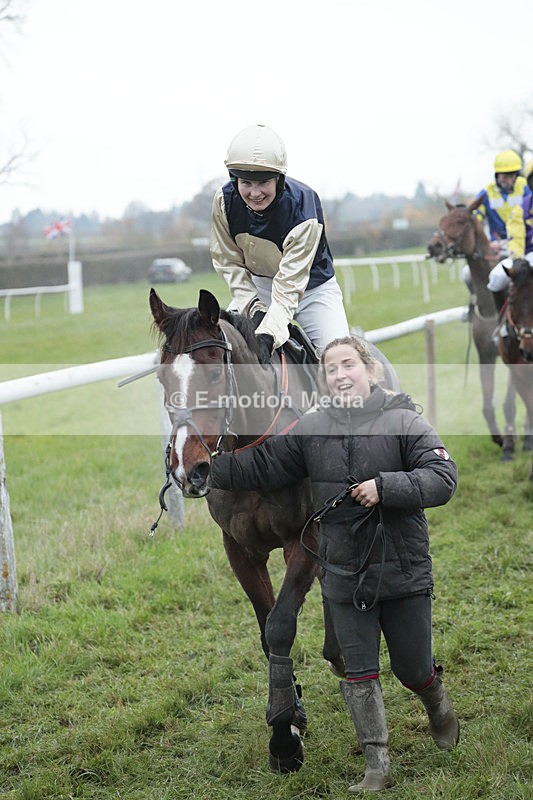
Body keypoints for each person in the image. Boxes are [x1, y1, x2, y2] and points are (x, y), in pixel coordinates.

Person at [209, 335, 459, 792]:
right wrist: (205, 467)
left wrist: (386, 486)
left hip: (400, 569)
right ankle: (376, 767)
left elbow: (443, 478)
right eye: (331, 369)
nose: (341, 375)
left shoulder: (404, 419)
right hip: (343, 572)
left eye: (349, 365)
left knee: (411, 668)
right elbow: (262, 466)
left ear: (369, 370)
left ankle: (435, 700)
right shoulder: (310, 426)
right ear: (323, 379)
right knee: (359, 672)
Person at [210, 124, 349, 364]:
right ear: (235, 181)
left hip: (312, 290)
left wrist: (268, 333)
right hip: (259, 287)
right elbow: (227, 261)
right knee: (222, 348)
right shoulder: (224, 201)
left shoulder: (304, 208)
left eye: (263, 182)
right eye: (246, 183)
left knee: (341, 362)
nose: (255, 193)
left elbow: (289, 286)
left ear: (279, 179)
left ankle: (367, 400)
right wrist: (251, 306)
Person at [461, 149, 529, 319]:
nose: (508, 179)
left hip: (522, 244)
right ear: (496, 175)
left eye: (512, 175)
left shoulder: (526, 187)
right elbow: (476, 217)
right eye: (504, 176)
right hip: (496, 245)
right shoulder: (487, 193)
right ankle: (475, 304)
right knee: (467, 274)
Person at [487, 159, 533, 313]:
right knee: (496, 277)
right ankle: (503, 323)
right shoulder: (522, 208)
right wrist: (518, 259)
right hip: (526, 257)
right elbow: (516, 237)